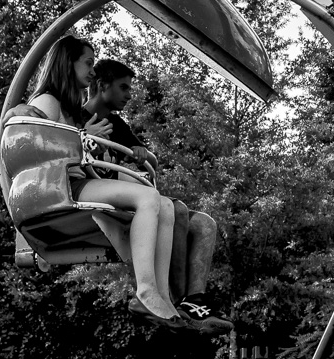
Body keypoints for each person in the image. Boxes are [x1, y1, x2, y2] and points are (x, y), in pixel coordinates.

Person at [24, 36, 198, 330]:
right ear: (68, 62)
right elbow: (32, 144)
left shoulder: (69, 106)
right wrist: (81, 135)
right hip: (61, 189)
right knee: (148, 199)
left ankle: (161, 296)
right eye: (88, 64)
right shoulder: (48, 102)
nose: (93, 72)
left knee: (164, 205)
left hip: (80, 182)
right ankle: (145, 291)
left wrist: (83, 137)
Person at [85, 59, 233, 335]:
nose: (129, 94)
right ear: (102, 86)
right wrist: (84, 135)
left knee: (204, 224)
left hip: (128, 193)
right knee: (172, 209)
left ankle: (194, 300)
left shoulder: (117, 124)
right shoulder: (77, 118)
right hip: (103, 199)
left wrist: (142, 154)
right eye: (123, 87)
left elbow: (149, 157)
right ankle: (174, 303)